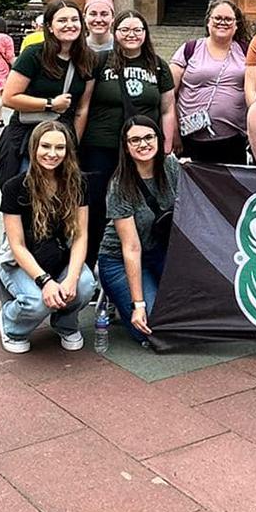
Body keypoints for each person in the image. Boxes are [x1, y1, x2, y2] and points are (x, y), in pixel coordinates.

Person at [75, 9, 176, 269]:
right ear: (115, 32)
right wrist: (75, 143)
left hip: (143, 151)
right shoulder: (99, 61)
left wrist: (165, 148)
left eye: (137, 30)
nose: (131, 35)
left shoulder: (157, 65)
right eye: (125, 30)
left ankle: (136, 261)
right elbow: (83, 105)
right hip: (102, 146)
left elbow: (167, 109)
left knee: (140, 207)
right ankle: (90, 266)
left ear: (145, 33)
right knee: (96, 207)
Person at [0, 119, 97, 353]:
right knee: (37, 302)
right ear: (34, 148)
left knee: (84, 285)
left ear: (68, 150)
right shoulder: (15, 187)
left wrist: (70, 278)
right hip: (21, 262)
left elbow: (81, 236)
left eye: (59, 147)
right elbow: (17, 245)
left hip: (59, 257)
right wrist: (45, 281)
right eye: (46, 146)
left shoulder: (77, 183)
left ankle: (65, 323)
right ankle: (10, 324)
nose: (52, 153)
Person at [97, 115, 181, 344]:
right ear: (125, 146)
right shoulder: (119, 185)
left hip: (159, 251)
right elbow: (131, 248)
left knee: (192, 310)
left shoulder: (171, 166)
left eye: (148, 137)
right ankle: (125, 299)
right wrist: (139, 305)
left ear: (158, 138)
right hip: (119, 259)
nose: (143, 144)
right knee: (154, 328)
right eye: (134, 140)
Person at [0, 0, 95, 186]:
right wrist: (50, 104)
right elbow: (9, 97)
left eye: (75, 20)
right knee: (27, 192)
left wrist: (72, 143)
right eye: (62, 20)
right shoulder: (33, 54)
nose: (69, 25)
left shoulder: (87, 59)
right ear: (50, 27)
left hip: (62, 137)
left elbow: (83, 107)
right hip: (28, 136)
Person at [171, 0, 251, 164]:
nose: (223, 22)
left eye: (228, 19)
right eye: (217, 18)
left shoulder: (247, 51)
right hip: (190, 139)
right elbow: (168, 94)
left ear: (236, 25)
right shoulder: (189, 49)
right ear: (208, 22)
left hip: (234, 140)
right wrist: (173, 132)